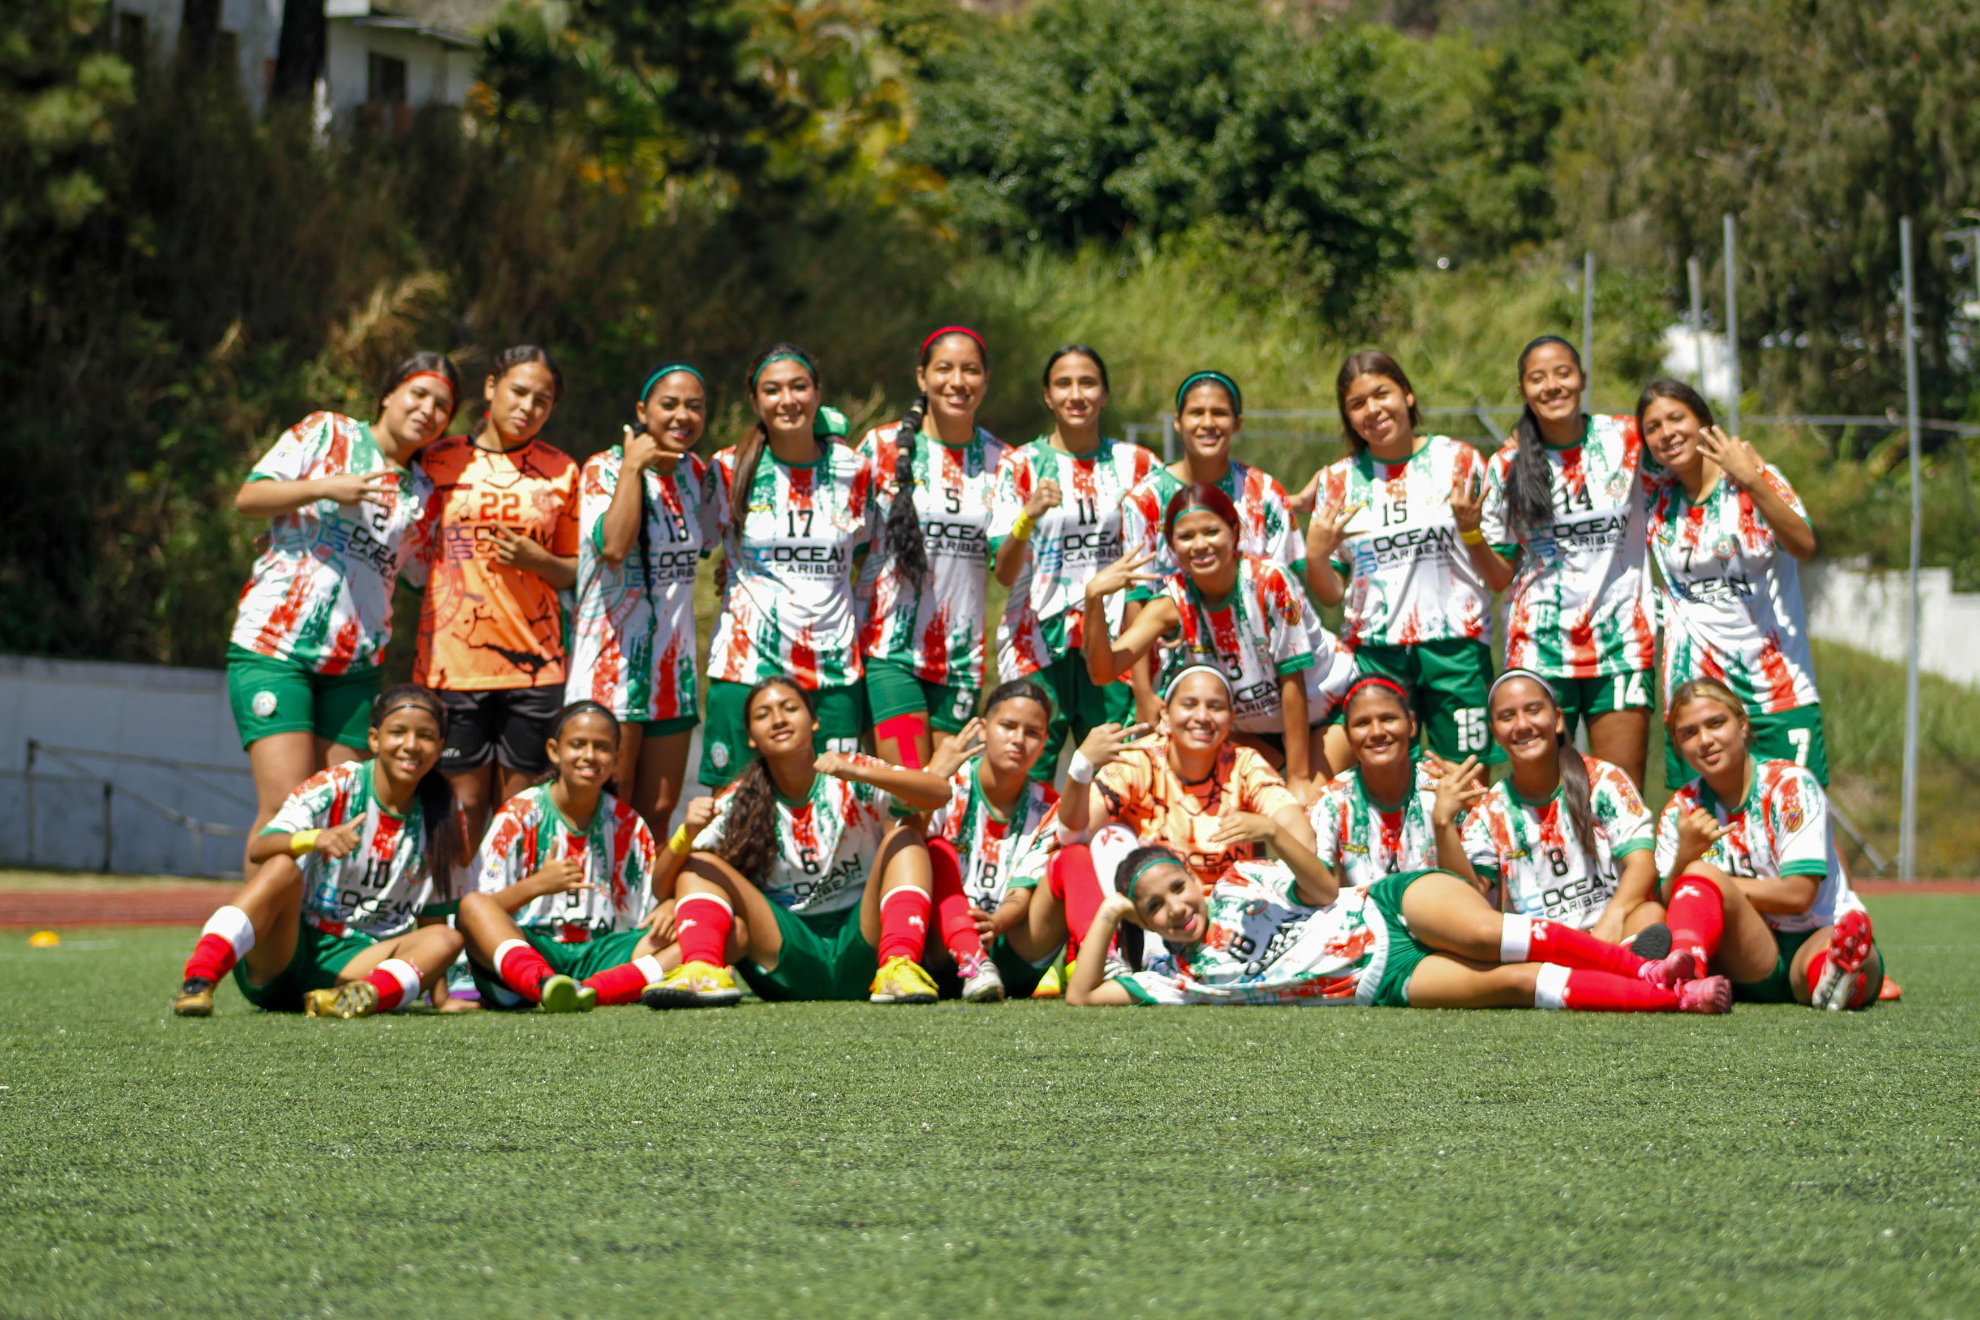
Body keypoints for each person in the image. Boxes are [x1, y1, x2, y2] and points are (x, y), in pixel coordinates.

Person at [226, 353, 458, 873]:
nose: (427, 410)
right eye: (418, 394)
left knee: (342, 814)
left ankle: (317, 945)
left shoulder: (423, 493)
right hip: (274, 649)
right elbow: (249, 497)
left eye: (442, 406)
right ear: (389, 393)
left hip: (354, 668)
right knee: (285, 816)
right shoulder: (327, 432)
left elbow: (423, 575)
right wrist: (325, 488)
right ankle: (258, 951)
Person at [1065, 845, 1731, 1014]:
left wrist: (1271, 835)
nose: (1175, 908)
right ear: (1142, 921)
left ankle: (1637, 965)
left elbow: (1324, 889)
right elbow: (1082, 998)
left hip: (1386, 906)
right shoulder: (1175, 979)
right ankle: (1671, 997)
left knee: (1488, 934)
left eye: (1176, 887)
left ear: (1192, 875)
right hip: (1382, 980)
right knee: (1516, 984)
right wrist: (1105, 913)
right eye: (1152, 908)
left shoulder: (1241, 879)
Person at [643, 676, 957, 1007]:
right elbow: (662, 887)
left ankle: (899, 965)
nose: (778, 719)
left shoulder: (850, 773)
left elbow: (939, 793)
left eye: (790, 708)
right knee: (699, 864)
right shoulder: (737, 800)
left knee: (906, 836)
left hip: (863, 946)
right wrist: (686, 832)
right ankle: (702, 970)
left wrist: (859, 773)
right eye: (763, 714)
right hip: (788, 959)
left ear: (814, 721)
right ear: (750, 737)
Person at [173, 686, 468, 1018]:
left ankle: (354, 999)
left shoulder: (445, 813)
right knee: (282, 867)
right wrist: (316, 839)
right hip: (290, 950)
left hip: (358, 963)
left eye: (426, 736)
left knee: (446, 938)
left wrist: (440, 997)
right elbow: (261, 847)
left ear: (441, 747)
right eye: (398, 732)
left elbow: (435, 910)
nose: (411, 745)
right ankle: (199, 980)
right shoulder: (339, 783)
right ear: (374, 739)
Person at [1463, 338, 1658, 786]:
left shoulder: (1626, 438)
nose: (1553, 386)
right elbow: (1499, 578)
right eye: (1538, 378)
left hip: (1621, 645)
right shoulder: (1506, 464)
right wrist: (1471, 531)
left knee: (1621, 795)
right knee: (1550, 798)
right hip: (1540, 650)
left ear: (1582, 379)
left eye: (1563, 373)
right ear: (1523, 390)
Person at [1082, 484, 1347, 801]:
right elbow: (1103, 671)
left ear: (1235, 531)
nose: (1199, 545)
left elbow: (1293, 681)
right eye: (1185, 537)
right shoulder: (1173, 600)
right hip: (1253, 729)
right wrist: (1094, 597)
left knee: (1305, 811)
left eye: (1211, 532)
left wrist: (1300, 779)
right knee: (1227, 816)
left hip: (1324, 712)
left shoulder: (1269, 581)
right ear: (1171, 546)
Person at [1043, 665, 1315, 971]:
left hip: (1224, 914)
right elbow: (1072, 835)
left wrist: (1272, 832)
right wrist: (1080, 766)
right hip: (1150, 919)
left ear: (1231, 718)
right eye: (1189, 704)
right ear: (1165, 713)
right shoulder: (1138, 760)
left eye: (1216, 707)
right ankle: (1141, 953)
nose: (1202, 716)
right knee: (1108, 838)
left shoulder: (1244, 763)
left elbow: (1302, 837)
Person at [1300, 350, 1500, 765]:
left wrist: (1471, 530)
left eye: (1382, 394)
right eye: (1357, 404)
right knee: (1389, 785)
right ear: (1348, 417)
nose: (1372, 410)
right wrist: (1316, 557)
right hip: (1377, 653)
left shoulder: (1458, 461)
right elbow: (1332, 594)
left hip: (1456, 649)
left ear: (1407, 395)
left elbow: (1497, 570)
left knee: (1466, 783)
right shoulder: (1338, 481)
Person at [415, 346, 580, 844]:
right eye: (519, 392)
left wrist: (538, 561)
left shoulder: (562, 471)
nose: (528, 407)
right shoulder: (438, 459)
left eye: (543, 400)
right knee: (460, 810)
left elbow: (573, 572)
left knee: (518, 815)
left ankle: (509, 922)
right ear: (491, 387)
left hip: (536, 666)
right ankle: (453, 919)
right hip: (451, 663)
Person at [700, 343, 877, 789]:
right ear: (756, 401)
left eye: (799, 387)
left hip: (831, 668)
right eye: (773, 390)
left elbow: (867, 559)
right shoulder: (726, 468)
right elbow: (699, 547)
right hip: (745, 667)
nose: (788, 399)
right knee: (733, 810)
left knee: (837, 806)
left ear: (817, 393)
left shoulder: (855, 471)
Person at [1643, 678, 1880, 1011]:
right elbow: (1671, 904)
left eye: (1716, 723)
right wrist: (1684, 859)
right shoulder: (1680, 809)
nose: (1706, 740)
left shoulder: (1790, 785)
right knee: (1696, 873)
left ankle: (1834, 977)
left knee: (1837, 959)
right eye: (1689, 733)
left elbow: (1799, 895)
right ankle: (1687, 980)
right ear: (1678, 744)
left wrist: (1717, 886)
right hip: (1751, 953)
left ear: (1742, 724)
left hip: (1817, 929)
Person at [1638, 379, 1829, 787]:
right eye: (1652, 427)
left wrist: (1752, 479)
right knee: (1708, 829)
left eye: (1676, 418)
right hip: (1697, 703)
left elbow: (1804, 544)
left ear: (1704, 422)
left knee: (1806, 828)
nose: (1666, 432)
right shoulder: (1656, 497)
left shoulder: (1753, 478)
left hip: (1776, 692)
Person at [990, 345, 1160, 780]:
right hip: (1035, 641)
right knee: (1026, 774)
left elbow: (1154, 564)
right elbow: (1004, 573)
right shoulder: (1020, 465)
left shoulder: (1138, 465)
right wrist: (1028, 516)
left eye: (1088, 383)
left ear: (1104, 394)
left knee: (1117, 773)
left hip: (1113, 643)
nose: (1076, 394)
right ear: (1047, 395)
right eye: (1063, 384)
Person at [564, 363, 718, 838]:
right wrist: (634, 466)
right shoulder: (604, 468)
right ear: (641, 411)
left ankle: (640, 904)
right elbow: (613, 547)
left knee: (661, 805)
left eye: (694, 406)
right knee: (610, 797)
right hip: (612, 665)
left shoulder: (696, 473)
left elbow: (713, 543)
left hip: (673, 669)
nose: (682, 416)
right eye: (669, 405)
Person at [1117, 371, 1315, 727]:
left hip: (1261, 684)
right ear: (1178, 422)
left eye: (1219, 413)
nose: (1208, 423)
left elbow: (1287, 599)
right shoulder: (1144, 501)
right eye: (1196, 413)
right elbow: (1137, 600)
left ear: (1237, 423)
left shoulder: (1265, 492)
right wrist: (1143, 694)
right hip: (1179, 683)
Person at [456, 701, 674, 1012]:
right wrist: (538, 884)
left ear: (617, 758)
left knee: (698, 929)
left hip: (602, 955)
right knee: (471, 905)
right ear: (554, 751)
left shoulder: (628, 824)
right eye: (577, 745)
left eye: (601, 747)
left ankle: (590, 991)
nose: (589, 755)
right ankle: (543, 983)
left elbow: (644, 918)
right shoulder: (519, 815)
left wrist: (668, 907)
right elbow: (479, 912)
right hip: (536, 947)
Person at [856, 327, 1004, 769]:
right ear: (922, 377)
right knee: (907, 792)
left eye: (970, 370)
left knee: (944, 800)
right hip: (890, 655)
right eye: (944, 369)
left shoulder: (1004, 461)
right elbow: (846, 549)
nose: (957, 381)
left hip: (962, 661)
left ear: (985, 379)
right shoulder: (879, 449)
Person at [1433, 670, 1665, 943]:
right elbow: (1470, 901)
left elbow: (1643, 865)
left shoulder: (1604, 780)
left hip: (1611, 933)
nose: (1522, 725)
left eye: (1533, 710)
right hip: (1542, 952)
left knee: (1650, 915)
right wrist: (1443, 823)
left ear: (1557, 719)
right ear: (1494, 733)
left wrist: (1611, 921)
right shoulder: (1488, 814)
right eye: (1507, 717)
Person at [923, 679, 1070, 1001]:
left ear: (1045, 742)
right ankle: (967, 957)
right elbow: (903, 837)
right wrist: (932, 775)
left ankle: (1076, 967)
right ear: (983, 729)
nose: (1019, 740)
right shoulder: (947, 784)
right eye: (1008, 726)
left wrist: (996, 922)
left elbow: (1022, 889)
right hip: (938, 947)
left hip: (1009, 942)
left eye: (1033, 733)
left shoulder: (1050, 807)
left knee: (1070, 857)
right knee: (933, 848)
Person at [1306, 677, 1443, 888]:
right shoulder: (1331, 800)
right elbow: (1313, 882)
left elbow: (1481, 885)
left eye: (1388, 719)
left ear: (1412, 724)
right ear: (1347, 736)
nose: (1377, 732)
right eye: (1362, 723)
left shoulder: (1444, 787)